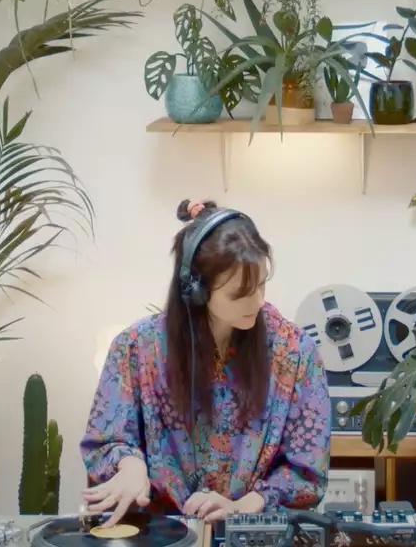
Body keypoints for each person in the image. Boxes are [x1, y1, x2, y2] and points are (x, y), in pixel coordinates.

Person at [80, 199, 331, 526]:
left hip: (254, 531)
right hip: (162, 534)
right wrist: (130, 467)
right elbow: (106, 440)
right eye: (239, 293)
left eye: (262, 284)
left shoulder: (297, 352)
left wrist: (243, 506)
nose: (257, 302)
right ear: (195, 290)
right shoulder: (135, 348)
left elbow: (307, 472)